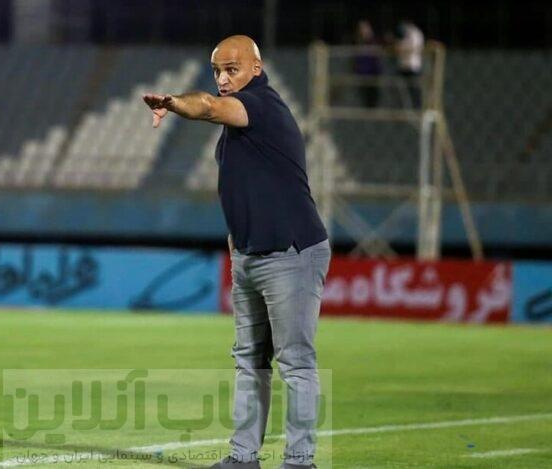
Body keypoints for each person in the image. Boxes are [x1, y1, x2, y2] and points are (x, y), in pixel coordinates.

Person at [143, 35, 330, 469]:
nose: (223, 79)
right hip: (249, 255)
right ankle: (244, 458)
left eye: (232, 69)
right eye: (217, 71)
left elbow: (208, 107)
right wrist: (236, 245)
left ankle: (300, 460)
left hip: (291, 253)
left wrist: (173, 103)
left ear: (256, 70)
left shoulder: (260, 105)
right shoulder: (238, 125)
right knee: (249, 361)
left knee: (295, 361)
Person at [393, 21, 424, 108]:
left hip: (413, 67)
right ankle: (402, 109)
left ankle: (417, 109)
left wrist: (401, 48)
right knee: (400, 91)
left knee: (414, 91)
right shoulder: (403, 32)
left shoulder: (415, 33)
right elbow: (397, 48)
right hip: (402, 66)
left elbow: (412, 47)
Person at [353, 19, 382, 108]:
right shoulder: (358, 41)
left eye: (364, 28)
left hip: (372, 73)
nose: (362, 30)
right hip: (362, 74)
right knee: (363, 98)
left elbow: (376, 57)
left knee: (372, 98)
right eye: (361, 28)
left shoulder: (373, 41)